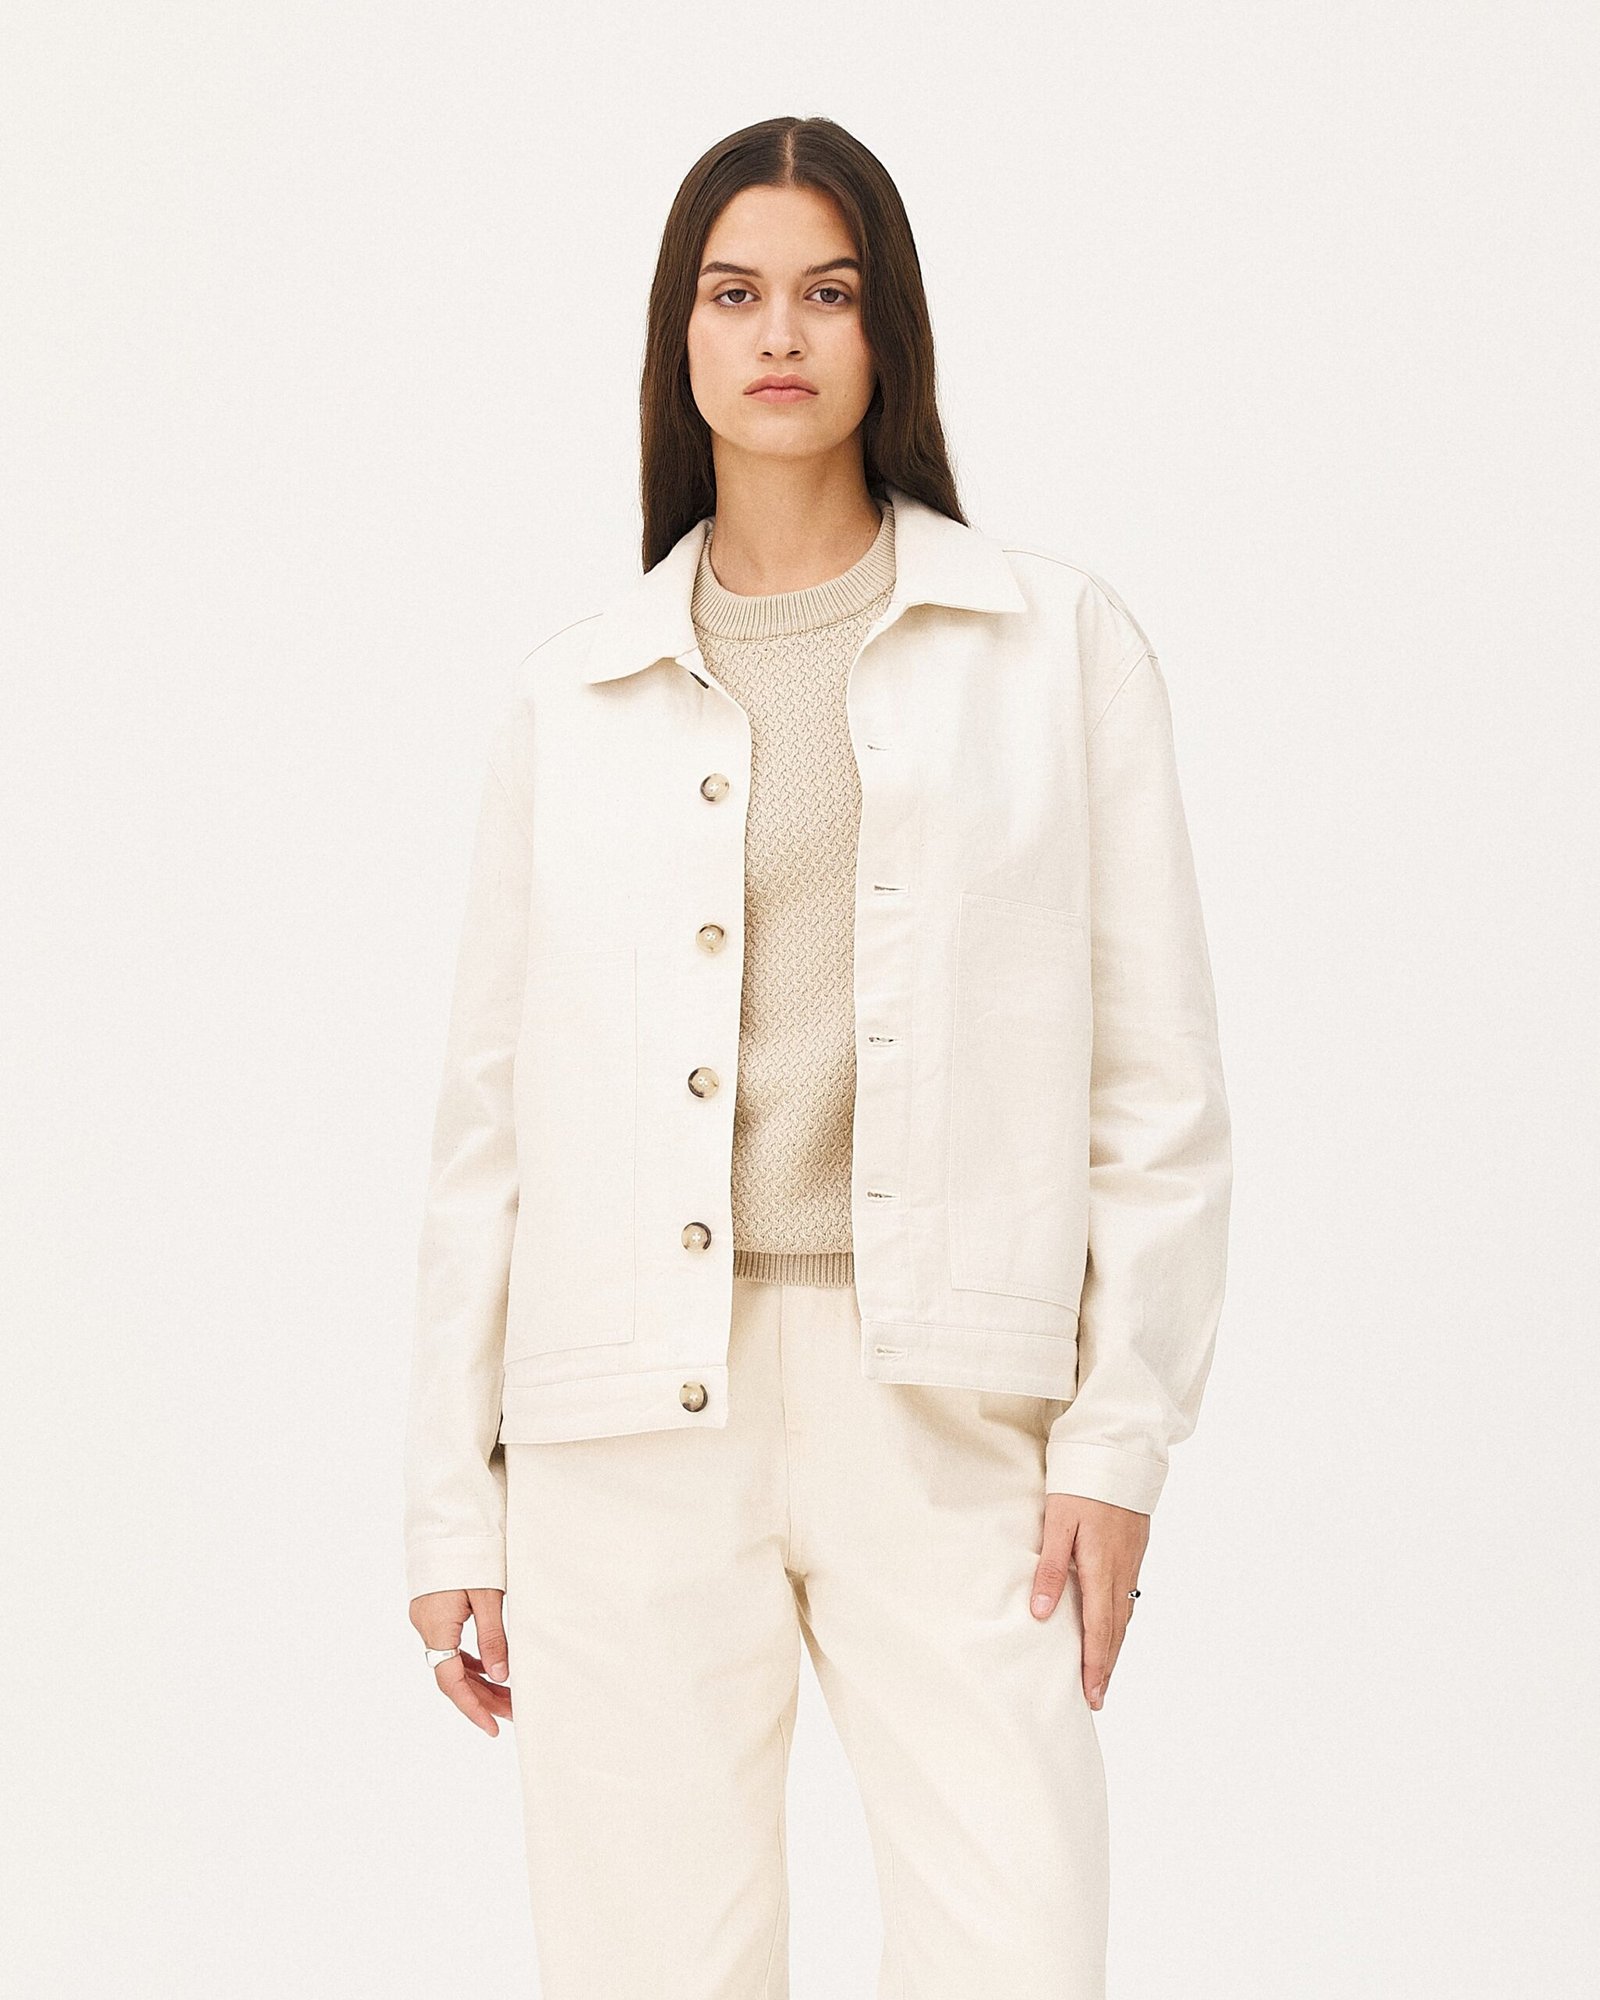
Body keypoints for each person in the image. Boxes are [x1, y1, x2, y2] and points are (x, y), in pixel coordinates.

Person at [402, 113, 1231, 2000]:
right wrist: (453, 1500)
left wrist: (1118, 1439)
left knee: (1017, 1942)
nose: (779, 334)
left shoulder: (1054, 648)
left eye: (828, 293)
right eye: (735, 292)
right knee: (648, 1968)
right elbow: (486, 1123)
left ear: (886, 333)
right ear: (680, 336)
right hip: (622, 1421)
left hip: (944, 1402)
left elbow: (1157, 1090)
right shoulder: (573, 695)